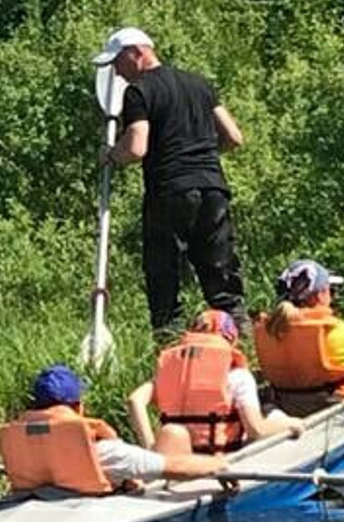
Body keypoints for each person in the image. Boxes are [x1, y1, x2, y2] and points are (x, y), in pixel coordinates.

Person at [94, 27, 249, 339]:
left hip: (170, 190)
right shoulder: (200, 85)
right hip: (212, 187)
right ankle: (243, 343)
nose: (117, 72)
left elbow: (137, 147)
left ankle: (168, 347)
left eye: (118, 62)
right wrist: (201, 154)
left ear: (136, 53)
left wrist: (111, 155)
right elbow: (234, 137)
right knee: (220, 272)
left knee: (165, 275)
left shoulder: (138, 91)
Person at [0, 364, 225, 495]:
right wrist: (220, 466)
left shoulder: (20, 443)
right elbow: (176, 467)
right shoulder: (102, 452)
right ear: (79, 406)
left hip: (32, 506)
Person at [126, 307, 299, 458]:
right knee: (277, 416)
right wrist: (292, 425)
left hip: (177, 458)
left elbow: (134, 400)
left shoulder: (168, 372)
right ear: (231, 339)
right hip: (220, 459)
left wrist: (151, 448)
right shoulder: (237, 375)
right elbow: (256, 431)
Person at [254, 259, 344, 414]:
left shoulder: (268, 331)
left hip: (287, 407)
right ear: (321, 294)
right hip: (331, 405)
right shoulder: (337, 332)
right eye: (330, 289)